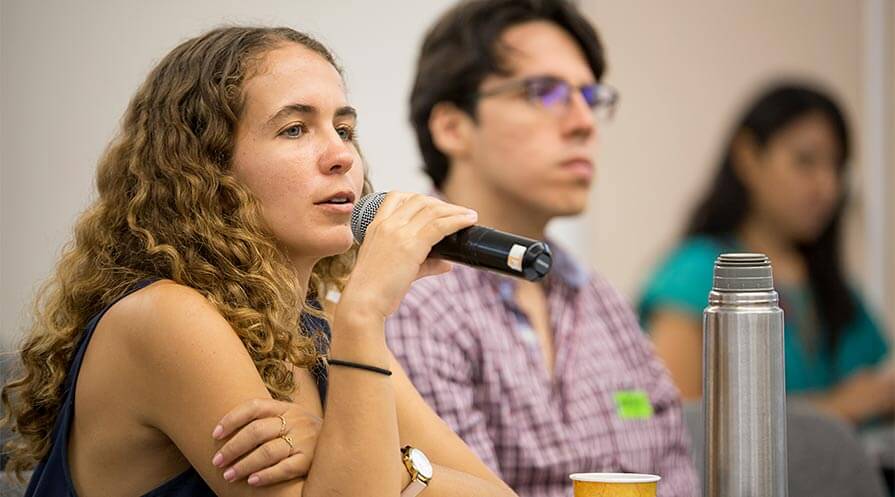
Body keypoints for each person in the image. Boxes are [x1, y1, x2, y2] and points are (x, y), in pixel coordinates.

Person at [0, 26, 518, 497]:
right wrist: (366, 312)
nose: (341, 155)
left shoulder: (321, 323)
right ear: (206, 170)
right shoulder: (163, 318)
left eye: (343, 129)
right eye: (295, 129)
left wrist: (362, 454)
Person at [382, 2, 699, 496]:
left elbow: (676, 471)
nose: (584, 123)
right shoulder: (412, 295)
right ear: (452, 128)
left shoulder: (600, 299)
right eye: (544, 92)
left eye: (590, 97)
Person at [638, 83, 894, 424]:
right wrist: (841, 406)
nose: (827, 187)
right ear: (748, 156)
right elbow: (678, 417)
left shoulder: (836, 289)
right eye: (805, 161)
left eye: (837, 168)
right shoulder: (697, 273)